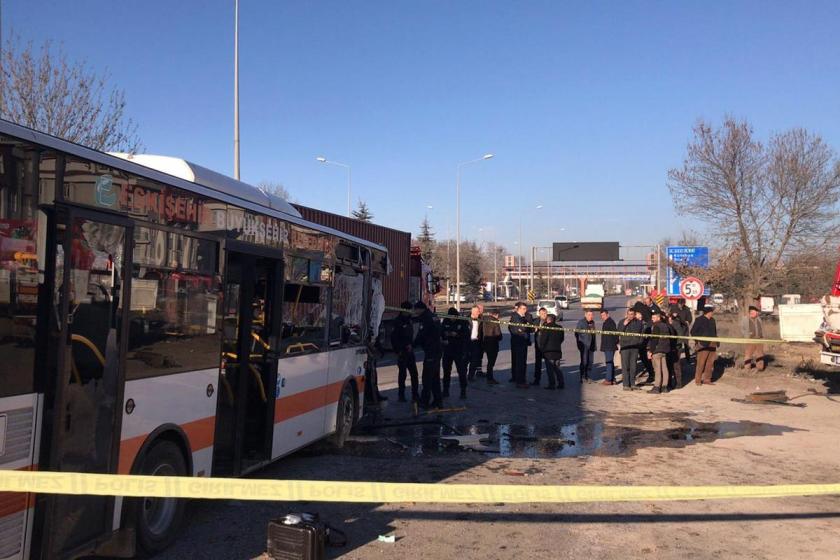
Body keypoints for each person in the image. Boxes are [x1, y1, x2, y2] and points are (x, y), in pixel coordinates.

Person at [413, 301, 443, 408]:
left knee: (427, 378)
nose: (414, 311)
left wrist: (412, 345)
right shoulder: (433, 316)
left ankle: (425, 401)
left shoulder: (426, 319)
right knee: (435, 378)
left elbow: (421, 334)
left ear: (420, 309)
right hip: (437, 350)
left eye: (415, 309)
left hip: (431, 351)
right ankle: (438, 401)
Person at [391, 301, 419, 402]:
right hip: (402, 351)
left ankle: (415, 394)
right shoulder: (397, 321)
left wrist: (411, 345)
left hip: (410, 351)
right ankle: (401, 395)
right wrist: (398, 350)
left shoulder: (409, 320)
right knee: (402, 374)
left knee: (414, 374)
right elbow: (394, 338)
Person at [441, 307, 469, 399]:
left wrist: (457, 335)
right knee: (446, 371)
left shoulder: (462, 322)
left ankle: (463, 391)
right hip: (448, 350)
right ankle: (445, 390)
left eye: (454, 317)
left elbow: (466, 336)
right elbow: (441, 332)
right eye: (451, 317)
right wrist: (446, 336)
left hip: (459, 350)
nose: (452, 318)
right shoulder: (445, 321)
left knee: (461, 372)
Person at [690, 306, 719, 385]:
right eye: (711, 312)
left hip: (712, 344)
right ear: (708, 312)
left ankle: (707, 379)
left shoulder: (713, 320)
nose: (712, 313)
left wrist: (717, 341)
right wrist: (698, 341)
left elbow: (715, 331)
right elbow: (693, 332)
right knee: (701, 363)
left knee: (710, 363)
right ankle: (698, 380)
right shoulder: (699, 320)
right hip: (703, 344)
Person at [618, 307, 644, 391]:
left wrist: (639, 343)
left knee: (633, 366)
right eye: (629, 314)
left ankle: (632, 383)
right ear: (627, 314)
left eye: (632, 314)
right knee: (625, 366)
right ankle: (626, 384)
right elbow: (618, 332)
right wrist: (624, 325)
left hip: (634, 347)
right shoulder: (622, 322)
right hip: (625, 347)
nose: (630, 316)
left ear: (634, 315)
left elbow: (641, 334)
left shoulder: (639, 323)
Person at [646, 311, 671, 394]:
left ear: (658, 318)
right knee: (664, 368)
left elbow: (654, 340)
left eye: (653, 318)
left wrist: (650, 351)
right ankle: (665, 387)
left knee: (657, 369)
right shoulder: (665, 325)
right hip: (665, 349)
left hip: (657, 350)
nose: (652, 319)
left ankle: (657, 387)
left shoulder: (656, 326)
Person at [538, 313, 565, 389]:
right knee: (557, 368)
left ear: (548, 319)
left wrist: (541, 349)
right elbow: (562, 339)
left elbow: (543, 340)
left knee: (550, 369)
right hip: (557, 351)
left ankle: (552, 384)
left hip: (548, 352)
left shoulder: (546, 328)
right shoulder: (560, 327)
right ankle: (561, 383)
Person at [508, 302, 532, 388]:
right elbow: (523, 328)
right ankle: (520, 381)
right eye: (523, 309)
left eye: (526, 309)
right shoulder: (516, 317)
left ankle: (517, 378)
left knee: (519, 362)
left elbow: (527, 328)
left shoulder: (523, 317)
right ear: (518, 309)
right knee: (520, 363)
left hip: (521, 342)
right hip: (519, 342)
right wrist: (527, 326)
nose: (525, 311)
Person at [575, 310, 596, 382]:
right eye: (589, 315)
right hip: (584, 345)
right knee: (584, 361)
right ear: (585, 315)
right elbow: (576, 333)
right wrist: (579, 344)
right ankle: (583, 376)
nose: (591, 316)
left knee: (590, 361)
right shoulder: (581, 322)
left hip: (592, 345)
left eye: (592, 315)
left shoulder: (592, 322)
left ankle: (588, 376)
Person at [482, 310, 502, 385]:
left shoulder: (484, 319)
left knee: (489, 361)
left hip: (485, 343)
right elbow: (499, 335)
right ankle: (490, 378)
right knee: (491, 362)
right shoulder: (495, 322)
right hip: (493, 345)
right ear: (496, 315)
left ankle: (489, 376)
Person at [599, 309, 618, 385]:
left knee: (609, 363)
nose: (602, 317)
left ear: (607, 314)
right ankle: (612, 378)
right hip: (608, 346)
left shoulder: (610, 322)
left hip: (609, 346)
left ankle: (608, 379)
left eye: (603, 315)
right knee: (610, 362)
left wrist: (615, 343)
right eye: (601, 316)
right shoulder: (607, 322)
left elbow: (615, 334)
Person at [744, 305, 766, 371]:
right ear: (750, 312)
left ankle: (760, 368)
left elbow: (762, 329)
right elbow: (743, 329)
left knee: (760, 354)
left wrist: (763, 337)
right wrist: (747, 336)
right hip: (750, 340)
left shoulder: (759, 319)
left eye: (755, 312)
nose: (754, 313)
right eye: (752, 312)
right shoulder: (745, 319)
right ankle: (747, 368)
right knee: (748, 354)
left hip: (759, 339)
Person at [531, 307, 548, 385]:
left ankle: (552, 381)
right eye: (541, 314)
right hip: (538, 345)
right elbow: (530, 329)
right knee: (538, 364)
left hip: (547, 346)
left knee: (549, 364)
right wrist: (534, 329)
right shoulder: (536, 321)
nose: (543, 315)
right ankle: (536, 379)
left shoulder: (549, 321)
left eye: (544, 313)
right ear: (539, 314)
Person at [467, 305, 484, 381]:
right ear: (472, 312)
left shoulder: (481, 319)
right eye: (477, 312)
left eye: (479, 311)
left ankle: (471, 376)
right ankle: (463, 374)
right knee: (465, 360)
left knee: (474, 360)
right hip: (467, 342)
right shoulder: (466, 319)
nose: (478, 313)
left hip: (476, 342)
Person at [667, 312, 684, 389]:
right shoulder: (667, 324)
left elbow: (680, 336)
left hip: (676, 347)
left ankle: (678, 383)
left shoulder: (676, 324)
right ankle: (669, 382)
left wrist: (676, 346)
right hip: (669, 347)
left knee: (676, 366)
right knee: (669, 366)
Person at [675, 298, 694, 362]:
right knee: (678, 345)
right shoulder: (674, 308)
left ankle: (688, 358)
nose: (679, 305)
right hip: (676, 329)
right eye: (678, 304)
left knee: (686, 344)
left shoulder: (687, 309)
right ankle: (677, 358)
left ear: (683, 304)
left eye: (681, 304)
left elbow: (689, 320)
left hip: (684, 329)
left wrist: (687, 322)